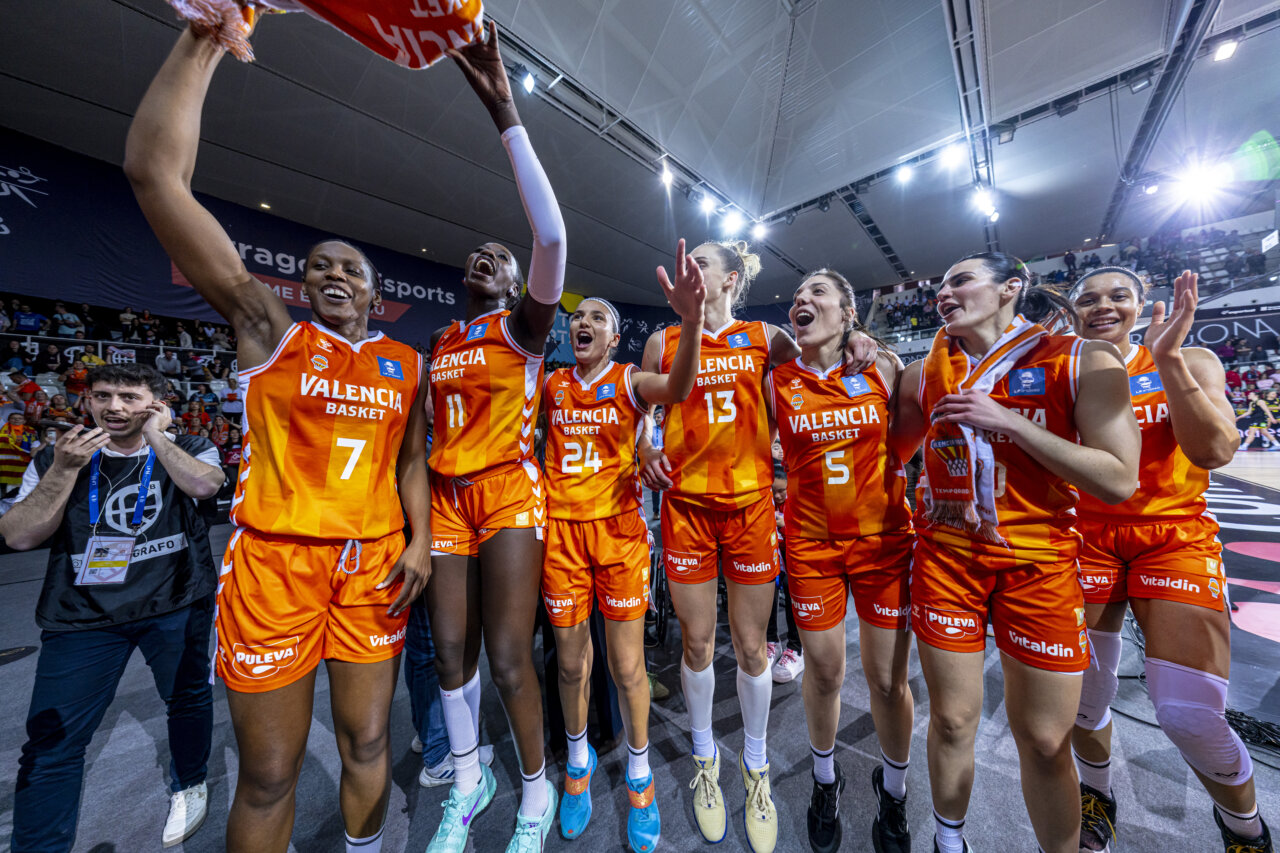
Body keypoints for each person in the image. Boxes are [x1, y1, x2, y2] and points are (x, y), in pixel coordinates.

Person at [125, 20, 431, 853]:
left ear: (375, 294)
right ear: (301, 285)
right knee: (269, 773)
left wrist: (422, 539)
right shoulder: (271, 332)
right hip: (275, 565)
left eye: (351, 270)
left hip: (371, 564)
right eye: (320, 266)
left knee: (370, 741)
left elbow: (412, 460)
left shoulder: (406, 364)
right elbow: (154, 175)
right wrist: (203, 38)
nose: (334, 274)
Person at [890, 252, 1140, 853]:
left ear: (1011, 287)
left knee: (1046, 741)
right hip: (947, 561)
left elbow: (1118, 478)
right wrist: (866, 356)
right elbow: (891, 451)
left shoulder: (1078, 358)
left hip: (1039, 567)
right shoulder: (923, 373)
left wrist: (1014, 424)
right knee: (950, 721)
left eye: (959, 279)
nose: (943, 293)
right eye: (940, 285)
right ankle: (949, 842)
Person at [639, 241, 875, 853]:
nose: (691, 273)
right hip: (686, 507)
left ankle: (756, 766)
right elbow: (645, 411)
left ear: (731, 278)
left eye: (702, 265)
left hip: (748, 508)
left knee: (750, 645)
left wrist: (858, 341)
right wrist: (644, 447)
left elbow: (823, 357)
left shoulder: (765, 338)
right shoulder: (664, 341)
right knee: (694, 642)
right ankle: (703, 761)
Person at [420, 22, 566, 853]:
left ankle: (537, 792)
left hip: (509, 492)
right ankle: (469, 786)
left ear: (517, 283)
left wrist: (507, 114)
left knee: (511, 659)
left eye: (497, 255)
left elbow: (552, 238)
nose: (485, 255)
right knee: (449, 653)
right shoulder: (440, 344)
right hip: (446, 499)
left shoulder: (522, 331)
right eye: (476, 253)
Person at [1068, 267, 1272, 852]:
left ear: (1142, 305)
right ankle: (1096, 795)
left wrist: (1169, 359)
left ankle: (1245, 829)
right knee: (1085, 699)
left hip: (1174, 537)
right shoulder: (1066, 371)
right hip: (1088, 536)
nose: (1102, 305)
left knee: (1189, 713)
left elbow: (1215, 449)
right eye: (1088, 299)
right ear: (1073, 311)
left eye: (1117, 296)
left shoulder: (1192, 360)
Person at [0, 363, 223, 851]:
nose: (114, 407)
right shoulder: (56, 457)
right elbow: (18, 536)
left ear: (157, 404)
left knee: (186, 699)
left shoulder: (187, 447)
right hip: (82, 614)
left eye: (128, 397)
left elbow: (206, 487)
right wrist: (63, 470)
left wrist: (158, 438)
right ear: (88, 403)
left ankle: (190, 782)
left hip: (176, 600)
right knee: (52, 742)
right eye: (102, 396)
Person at [541, 254, 704, 852]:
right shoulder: (552, 384)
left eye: (595, 317)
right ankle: (577, 768)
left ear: (613, 337)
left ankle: (640, 779)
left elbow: (680, 386)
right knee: (567, 664)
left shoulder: (630, 382)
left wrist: (690, 320)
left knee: (628, 666)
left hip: (618, 536)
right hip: (561, 534)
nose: (580, 322)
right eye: (575, 317)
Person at [764, 269, 917, 853]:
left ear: (848, 312)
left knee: (886, 680)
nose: (802, 300)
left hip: (883, 546)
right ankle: (825, 781)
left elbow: (904, 446)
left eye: (817, 293)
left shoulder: (883, 368)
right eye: (797, 296)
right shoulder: (776, 379)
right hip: (811, 548)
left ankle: (895, 790)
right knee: (825, 674)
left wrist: (871, 346)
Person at [0, 411, 34, 497]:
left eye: (19, 418)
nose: (16, 420)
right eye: (13, 418)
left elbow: (33, 444)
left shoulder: (30, 430)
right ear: (8, 420)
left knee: (13, 492)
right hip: (3, 463)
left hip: (20, 464)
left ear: (24, 421)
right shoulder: (2, 429)